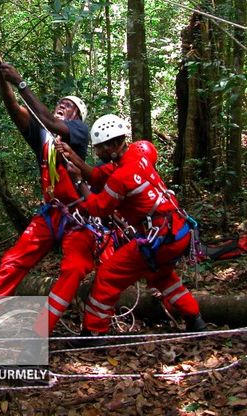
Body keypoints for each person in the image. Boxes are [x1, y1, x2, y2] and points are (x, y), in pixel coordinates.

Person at [0, 41, 100, 336]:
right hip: (51, 214)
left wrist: (21, 81)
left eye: (69, 105)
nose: (61, 106)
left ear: (77, 116)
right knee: (13, 261)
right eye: (61, 103)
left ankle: (44, 330)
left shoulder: (77, 133)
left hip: (79, 218)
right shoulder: (42, 135)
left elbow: (50, 120)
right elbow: (14, 108)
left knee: (75, 267)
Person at [55, 113, 207, 343]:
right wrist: (73, 156)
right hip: (176, 232)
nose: (97, 153)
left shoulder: (122, 176)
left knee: (108, 275)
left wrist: (78, 183)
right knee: (163, 276)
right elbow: (98, 176)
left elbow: (98, 207)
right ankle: (195, 319)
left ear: (115, 145)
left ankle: (93, 333)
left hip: (158, 239)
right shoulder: (135, 155)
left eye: (101, 149)